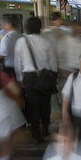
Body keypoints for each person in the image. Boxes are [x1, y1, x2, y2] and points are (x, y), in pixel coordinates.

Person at [14, 16, 59, 144]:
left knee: (33, 106)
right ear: (39, 27)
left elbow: (18, 62)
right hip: (45, 76)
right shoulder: (46, 42)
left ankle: (36, 134)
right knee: (45, 104)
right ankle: (45, 127)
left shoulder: (21, 42)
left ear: (26, 27)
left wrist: (19, 78)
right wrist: (54, 76)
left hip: (29, 77)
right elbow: (52, 61)